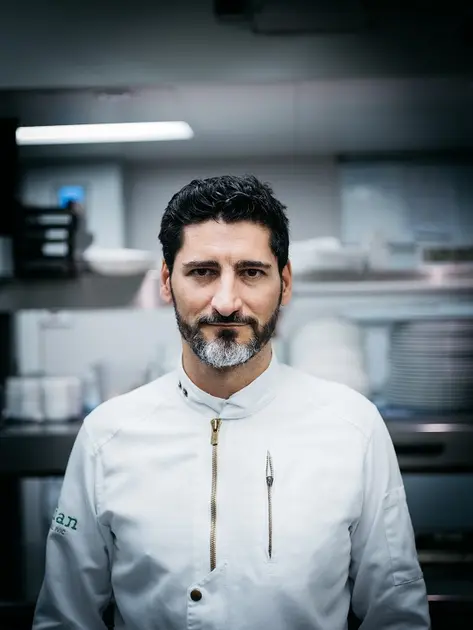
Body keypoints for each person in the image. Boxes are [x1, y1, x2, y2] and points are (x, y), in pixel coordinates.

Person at [32, 174, 431, 630]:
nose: (225, 302)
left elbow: (396, 614)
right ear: (167, 281)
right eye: (202, 272)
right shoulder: (107, 436)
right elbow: (65, 618)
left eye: (251, 272)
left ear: (285, 283)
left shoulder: (353, 428)